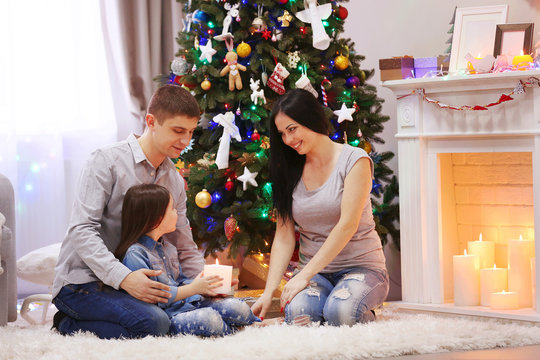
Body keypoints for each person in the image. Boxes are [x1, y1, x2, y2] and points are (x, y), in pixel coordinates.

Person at [51, 85, 209, 339]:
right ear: (151, 122)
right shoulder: (105, 161)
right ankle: (67, 323)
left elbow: (183, 242)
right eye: (178, 131)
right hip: (83, 283)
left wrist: (207, 280)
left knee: (192, 309)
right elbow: (82, 229)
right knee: (156, 323)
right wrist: (124, 278)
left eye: (190, 132)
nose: (185, 141)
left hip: (131, 286)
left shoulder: (174, 180)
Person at [251, 89, 389, 326]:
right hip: (317, 273)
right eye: (282, 134)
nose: (288, 140)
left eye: (292, 129)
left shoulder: (355, 160)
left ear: (311, 119)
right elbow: (284, 236)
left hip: (363, 268)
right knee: (300, 315)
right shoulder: (288, 169)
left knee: (341, 312)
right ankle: (327, 313)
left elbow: (347, 226)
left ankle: (352, 313)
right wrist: (269, 291)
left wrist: (302, 276)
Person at [117, 183, 260, 336]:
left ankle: (255, 324)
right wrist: (195, 288)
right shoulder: (136, 254)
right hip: (170, 316)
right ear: (156, 219)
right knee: (209, 320)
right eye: (172, 209)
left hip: (191, 304)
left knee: (237, 307)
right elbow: (154, 297)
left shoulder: (169, 248)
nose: (176, 213)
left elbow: (180, 281)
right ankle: (238, 335)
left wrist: (204, 286)